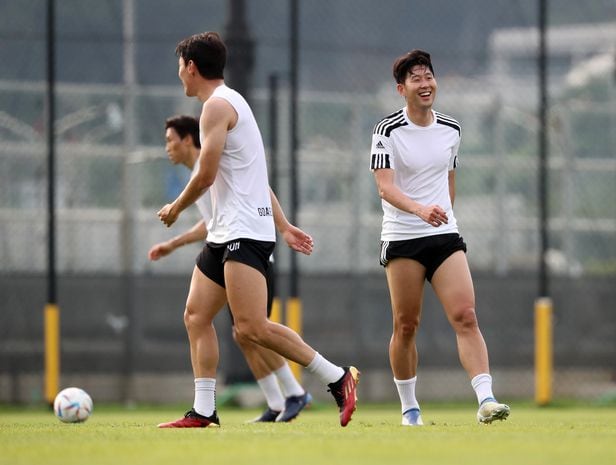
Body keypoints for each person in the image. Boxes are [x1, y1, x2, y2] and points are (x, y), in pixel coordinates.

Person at [156, 32, 359, 428]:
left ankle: (337, 377)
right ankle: (204, 410)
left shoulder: (216, 107)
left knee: (250, 327)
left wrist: (175, 209)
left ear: (191, 67)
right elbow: (255, 176)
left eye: (180, 66)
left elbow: (207, 174)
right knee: (196, 316)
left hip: (244, 232)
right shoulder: (228, 102)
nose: (179, 73)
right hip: (227, 232)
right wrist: (283, 226)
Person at [370, 49, 510, 426]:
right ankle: (410, 409)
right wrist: (419, 210)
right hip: (402, 239)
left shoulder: (452, 129)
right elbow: (385, 188)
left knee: (466, 315)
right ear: (402, 89)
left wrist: (441, 215)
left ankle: (486, 399)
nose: (425, 83)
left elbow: (449, 182)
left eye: (428, 76)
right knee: (406, 325)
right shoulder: (387, 131)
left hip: (444, 235)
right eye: (415, 78)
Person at [149, 115, 312, 423]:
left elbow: (260, 190)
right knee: (243, 333)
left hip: (253, 261)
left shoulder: (210, 168)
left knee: (253, 329)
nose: (167, 147)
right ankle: (278, 403)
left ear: (187, 140)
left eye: (170, 140)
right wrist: (174, 244)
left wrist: (284, 227)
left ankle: (297, 391)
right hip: (232, 257)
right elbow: (210, 224)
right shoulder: (201, 173)